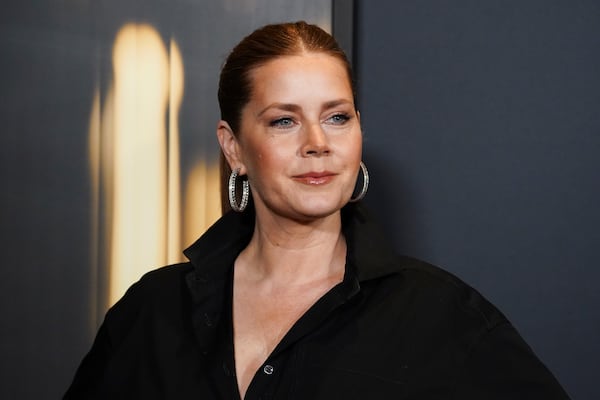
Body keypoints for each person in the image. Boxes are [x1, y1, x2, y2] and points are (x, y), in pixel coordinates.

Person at [64, 21, 570, 399]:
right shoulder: (151, 312)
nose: (317, 143)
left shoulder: (444, 319)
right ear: (234, 147)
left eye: (337, 117)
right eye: (284, 121)